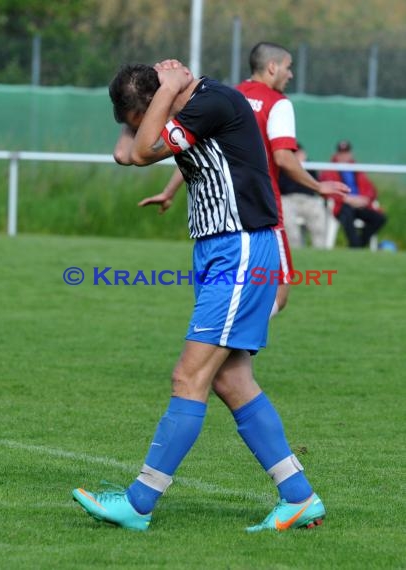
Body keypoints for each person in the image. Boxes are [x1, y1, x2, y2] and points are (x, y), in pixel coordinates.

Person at [72, 59, 331, 532]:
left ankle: (139, 502)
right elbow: (126, 154)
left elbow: (145, 150)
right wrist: (157, 90)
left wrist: (165, 90)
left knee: (186, 377)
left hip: (241, 250)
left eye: (141, 114)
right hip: (219, 252)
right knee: (231, 382)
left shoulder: (213, 102)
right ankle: (299, 497)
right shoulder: (176, 104)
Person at [141, 43, 348, 317]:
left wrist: (169, 191)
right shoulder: (278, 103)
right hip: (264, 210)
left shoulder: (227, 94)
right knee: (278, 293)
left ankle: (223, 341)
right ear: (272, 67)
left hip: (219, 213)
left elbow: (196, 150)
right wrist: (318, 186)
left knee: (233, 290)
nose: (290, 75)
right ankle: (223, 342)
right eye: (288, 68)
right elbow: (284, 158)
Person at [319, 141, 387, 248]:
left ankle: (357, 245)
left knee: (379, 218)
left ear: (350, 154)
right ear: (337, 154)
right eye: (341, 153)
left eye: (346, 153)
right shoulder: (329, 169)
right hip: (341, 205)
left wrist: (365, 199)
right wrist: (346, 199)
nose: (344, 156)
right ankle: (355, 245)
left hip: (360, 205)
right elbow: (326, 190)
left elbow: (370, 189)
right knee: (347, 212)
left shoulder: (357, 169)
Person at [279, 144, 327, 248]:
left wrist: (302, 167)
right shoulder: (283, 167)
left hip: (308, 200)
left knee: (318, 211)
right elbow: (283, 186)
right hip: (289, 198)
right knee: (286, 216)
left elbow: (315, 185)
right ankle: (294, 248)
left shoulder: (310, 167)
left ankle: (320, 249)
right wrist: (294, 169)